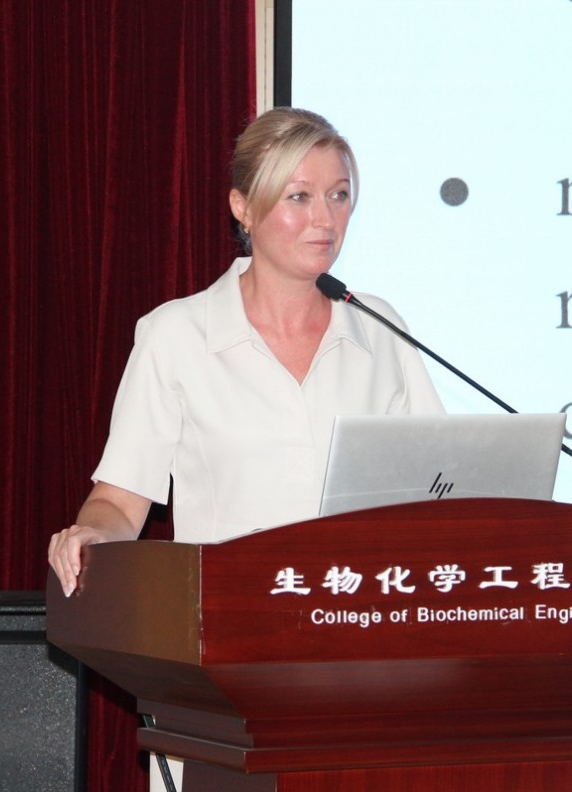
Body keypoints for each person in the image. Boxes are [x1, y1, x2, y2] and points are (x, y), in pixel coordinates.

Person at [47, 106, 442, 595]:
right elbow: (120, 501)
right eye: (299, 196)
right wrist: (92, 534)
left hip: (360, 614)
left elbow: (440, 487)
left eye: (339, 195)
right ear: (244, 208)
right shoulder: (176, 335)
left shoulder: (380, 328)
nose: (325, 218)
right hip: (228, 615)